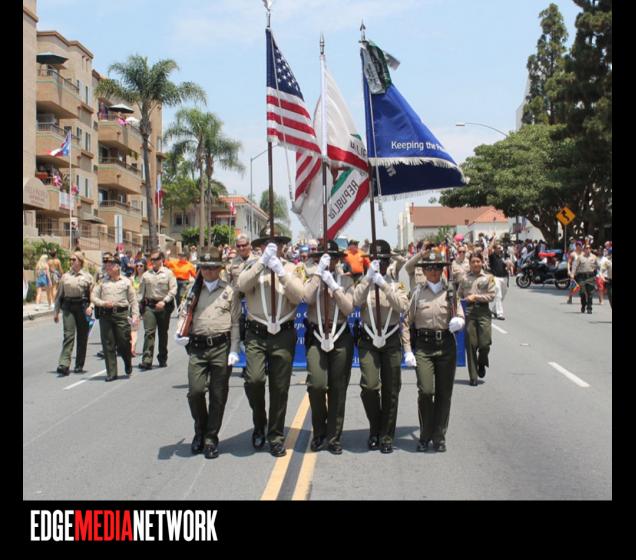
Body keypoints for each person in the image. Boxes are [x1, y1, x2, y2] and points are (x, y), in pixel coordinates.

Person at [237, 225, 304, 457]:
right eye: (267, 243)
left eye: (276, 243)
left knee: (279, 387)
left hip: (283, 333)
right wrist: (261, 263)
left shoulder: (292, 268)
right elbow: (241, 285)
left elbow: (299, 296)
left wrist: (281, 273)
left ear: (283, 246)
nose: (272, 247)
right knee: (254, 380)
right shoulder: (251, 266)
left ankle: (275, 435)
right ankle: (259, 422)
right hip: (257, 332)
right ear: (261, 247)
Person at [174, 249, 241, 459]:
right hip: (198, 347)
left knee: (218, 395)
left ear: (220, 269)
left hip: (221, 346)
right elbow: (184, 313)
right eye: (204, 267)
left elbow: (236, 323)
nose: (208, 271)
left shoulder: (229, 291)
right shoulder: (192, 291)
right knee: (195, 391)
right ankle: (200, 430)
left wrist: (234, 349)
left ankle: (211, 438)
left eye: (212, 267)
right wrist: (179, 331)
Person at [401, 250, 465, 452]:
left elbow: (460, 315)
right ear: (424, 271)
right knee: (426, 391)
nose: (434, 271)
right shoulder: (418, 293)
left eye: (437, 267)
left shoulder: (451, 292)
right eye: (429, 268)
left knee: (444, 394)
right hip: (424, 347)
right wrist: (408, 350)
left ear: (442, 270)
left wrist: (460, 321)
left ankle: (439, 436)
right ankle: (425, 434)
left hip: (446, 345)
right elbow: (406, 322)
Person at [353, 239, 409, 454]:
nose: (381, 265)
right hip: (368, 339)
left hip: (391, 339)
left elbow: (402, 306)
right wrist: (369, 279)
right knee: (369, 386)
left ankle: (386, 435)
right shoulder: (364, 281)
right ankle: (375, 427)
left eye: (384, 261)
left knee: (391, 389)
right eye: (377, 261)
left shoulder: (396, 285)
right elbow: (355, 302)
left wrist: (384, 285)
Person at [303, 241, 355, 455]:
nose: (330, 261)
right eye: (326, 257)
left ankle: (334, 436)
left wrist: (334, 286)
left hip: (340, 335)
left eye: (333, 257)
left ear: (338, 260)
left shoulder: (346, 281)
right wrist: (319, 276)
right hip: (317, 334)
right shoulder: (311, 278)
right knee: (316, 385)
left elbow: (348, 308)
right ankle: (319, 431)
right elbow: (305, 297)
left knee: (338, 388)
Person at [91, 254, 139, 381]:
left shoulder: (126, 282)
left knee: (124, 342)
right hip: (106, 315)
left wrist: (135, 315)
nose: (108, 267)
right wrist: (103, 303)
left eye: (111, 264)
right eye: (107, 264)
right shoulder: (102, 282)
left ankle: (127, 362)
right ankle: (111, 372)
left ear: (118, 267)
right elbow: (93, 297)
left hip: (121, 314)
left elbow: (133, 300)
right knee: (108, 344)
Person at [53, 252, 95, 375]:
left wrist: (91, 307)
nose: (71, 261)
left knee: (82, 337)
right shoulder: (65, 277)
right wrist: (56, 312)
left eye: (73, 259)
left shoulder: (88, 277)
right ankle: (64, 364)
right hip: (68, 307)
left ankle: (79, 365)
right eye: (70, 259)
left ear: (80, 261)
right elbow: (59, 296)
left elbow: (93, 295)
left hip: (82, 308)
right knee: (68, 335)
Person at [457, 253, 496, 386]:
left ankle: (482, 361)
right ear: (470, 263)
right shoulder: (464, 278)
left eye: (478, 261)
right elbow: (459, 295)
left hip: (483, 311)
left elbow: (492, 296)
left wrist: (476, 297)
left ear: (482, 262)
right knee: (471, 345)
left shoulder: (488, 278)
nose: (476, 264)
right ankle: (473, 376)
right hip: (468, 312)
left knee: (485, 343)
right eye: (473, 261)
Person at [138, 251, 177, 370]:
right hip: (150, 306)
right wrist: (138, 308)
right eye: (152, 259)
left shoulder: (168, 273)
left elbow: (173, 290)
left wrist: (164, 301)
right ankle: (147, 360)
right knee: (149, 332)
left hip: (163, 306)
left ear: (161, 260)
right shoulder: (146, 275)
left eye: (155, 259)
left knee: (162, 333)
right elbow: (141, 293)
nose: (153, 261)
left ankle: (162, 358)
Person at [571, 244, 598, 314]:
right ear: (584, 249)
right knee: (582, 292)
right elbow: (575, 265)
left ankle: (589, 308)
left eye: (589, 248)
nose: (587, 249)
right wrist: (572, 274)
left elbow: (599, 266)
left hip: (591, 277)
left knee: (590, 293)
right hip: (581, 277)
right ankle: (583, 305)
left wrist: (601, 273)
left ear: (590, 249)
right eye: (586, 248)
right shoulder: (580, 257)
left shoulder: (594, 257)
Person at [488, 243, 509, 320]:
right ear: (495, 249)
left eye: (501, 248)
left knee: (503, 295)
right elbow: (489, 249)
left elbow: (508, 265)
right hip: (496, 277)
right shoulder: (492, 256)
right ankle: (500, 314)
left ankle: (494, 310)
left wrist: (508, 265)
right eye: (499, 248)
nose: (500, 249)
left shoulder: (503, 256)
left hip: (504, 277)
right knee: (498, 295)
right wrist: (493, 239)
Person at [130, 260, 145, 357]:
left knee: (146, 329)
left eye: (141, 266)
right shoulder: (132, 278)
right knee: (133, 328)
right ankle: (132, 348)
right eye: (137, 266)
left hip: (144, 305)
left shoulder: (147, 278)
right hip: (134, 305)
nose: (139, 267)